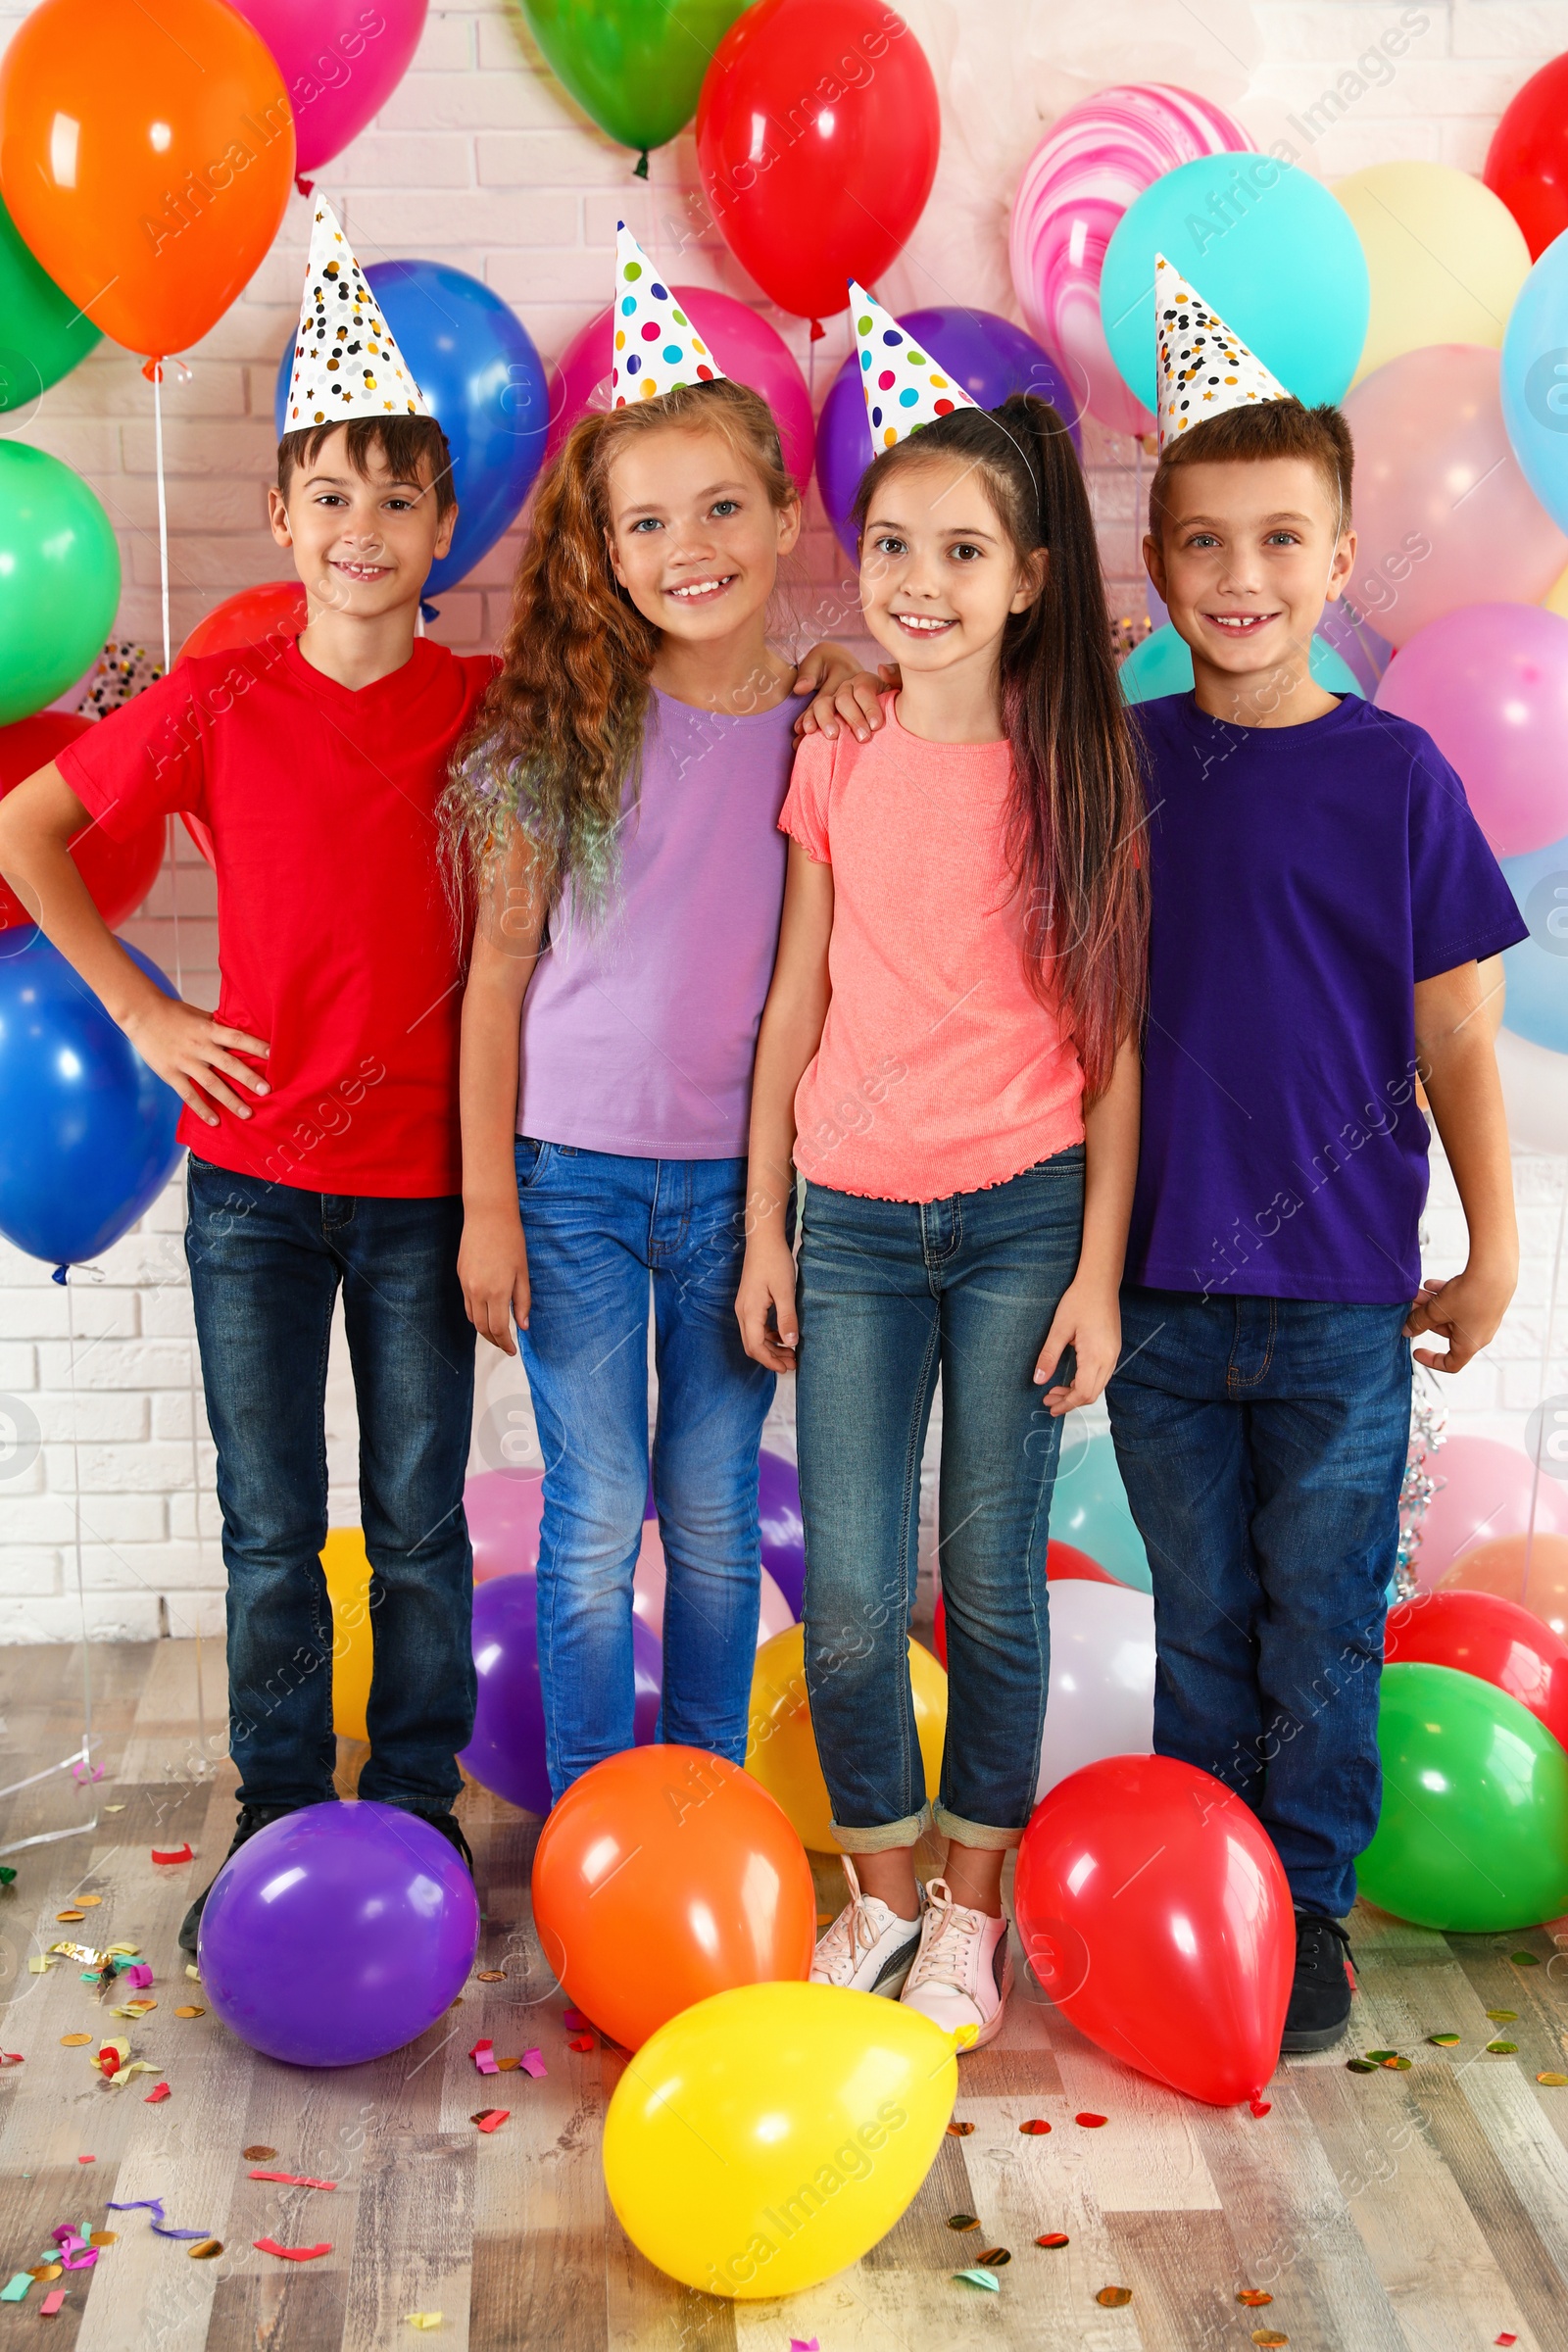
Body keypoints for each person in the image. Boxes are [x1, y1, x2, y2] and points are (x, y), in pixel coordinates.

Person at [0, 202, 495, 1950]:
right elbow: (29, 824)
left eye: (396, 497)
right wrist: (142, 1012)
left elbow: (671, 723)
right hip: (260, 1184)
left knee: (419, 1519)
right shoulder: (219, 700)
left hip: (432, 1190)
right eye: (331, 495)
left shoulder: (491, 707)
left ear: (445, 528)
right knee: (273, 1525)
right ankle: (282, 1810)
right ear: (283, 518)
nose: (362, 527)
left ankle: (422, 1804)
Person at [1104, 259, 1528, 2051]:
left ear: (1342, 563)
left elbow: (1455, 1037)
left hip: (1348, 1296)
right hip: (1159, 1298)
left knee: (1325, 1624)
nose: (1244, 579)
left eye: (1282, 541)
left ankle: (1315, 1902)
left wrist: (1493, 1245)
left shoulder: (1401, 776)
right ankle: (1213, 1883)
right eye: (1205, 544)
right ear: (1157, 569)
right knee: (1202, 1617)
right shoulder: (1110, 765)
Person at [736, 286, 1148, 2049]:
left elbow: (1117, 1045)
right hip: (848, 1222)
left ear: (1027, 578)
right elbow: (792, 998)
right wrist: (768, 1224)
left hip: (1020, 1217)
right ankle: (881, 1895)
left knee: (987, 1577)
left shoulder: (1083, 766)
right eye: (892, 542)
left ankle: (973, 1908)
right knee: (847, 1595)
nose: (918, 580)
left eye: (961, 550)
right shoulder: (836, 747)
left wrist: (1100, 1272)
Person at [445, 227, 867, 1800]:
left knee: (706, 1516)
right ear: (607, 553)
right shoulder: (562, 726)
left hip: (743, 1193)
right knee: (590, 1512)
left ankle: (694, 1808)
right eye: (647, 522)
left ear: (780, 515)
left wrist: (846, 671)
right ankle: (589, 1822)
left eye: (720, 509)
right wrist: (489, 1205)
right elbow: (495, 976)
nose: (689, 546)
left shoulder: (832, 721)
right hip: (571, 1182)